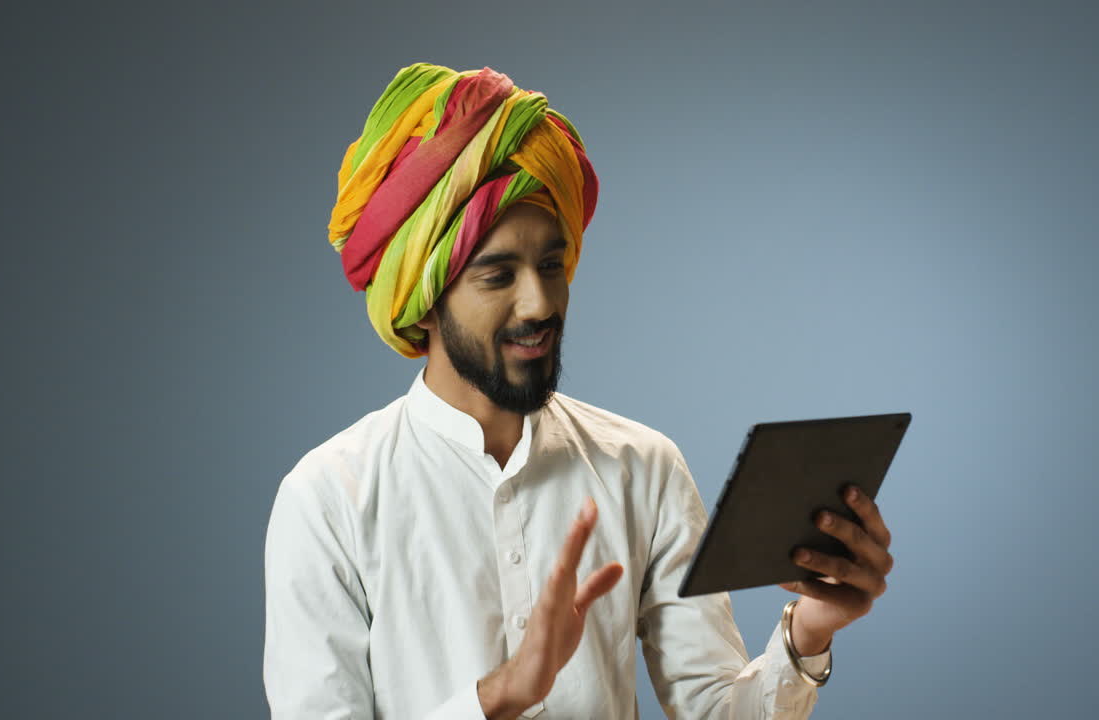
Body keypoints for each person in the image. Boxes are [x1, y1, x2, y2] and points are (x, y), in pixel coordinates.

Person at [263, 62, 895, 720]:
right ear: (423, 302)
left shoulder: (641, 467)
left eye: (550, 266)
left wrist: (807, 634)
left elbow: (714, 709)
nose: (538, 303)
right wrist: (501, 694)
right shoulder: (328, 500)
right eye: (497, 275)